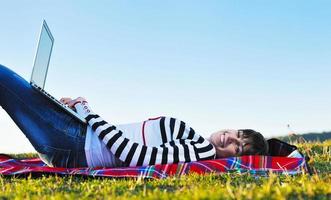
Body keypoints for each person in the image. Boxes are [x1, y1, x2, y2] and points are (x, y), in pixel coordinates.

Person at [0, 64, 269, 168]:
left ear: (239, 158)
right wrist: (78, 113)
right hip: (76, 134)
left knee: (4, 78)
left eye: (239, 145)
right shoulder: (199, 142)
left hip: (73, 144)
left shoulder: (200, 150)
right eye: (238, 133)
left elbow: (134, 155)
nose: (231, 137)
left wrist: (86, 110)